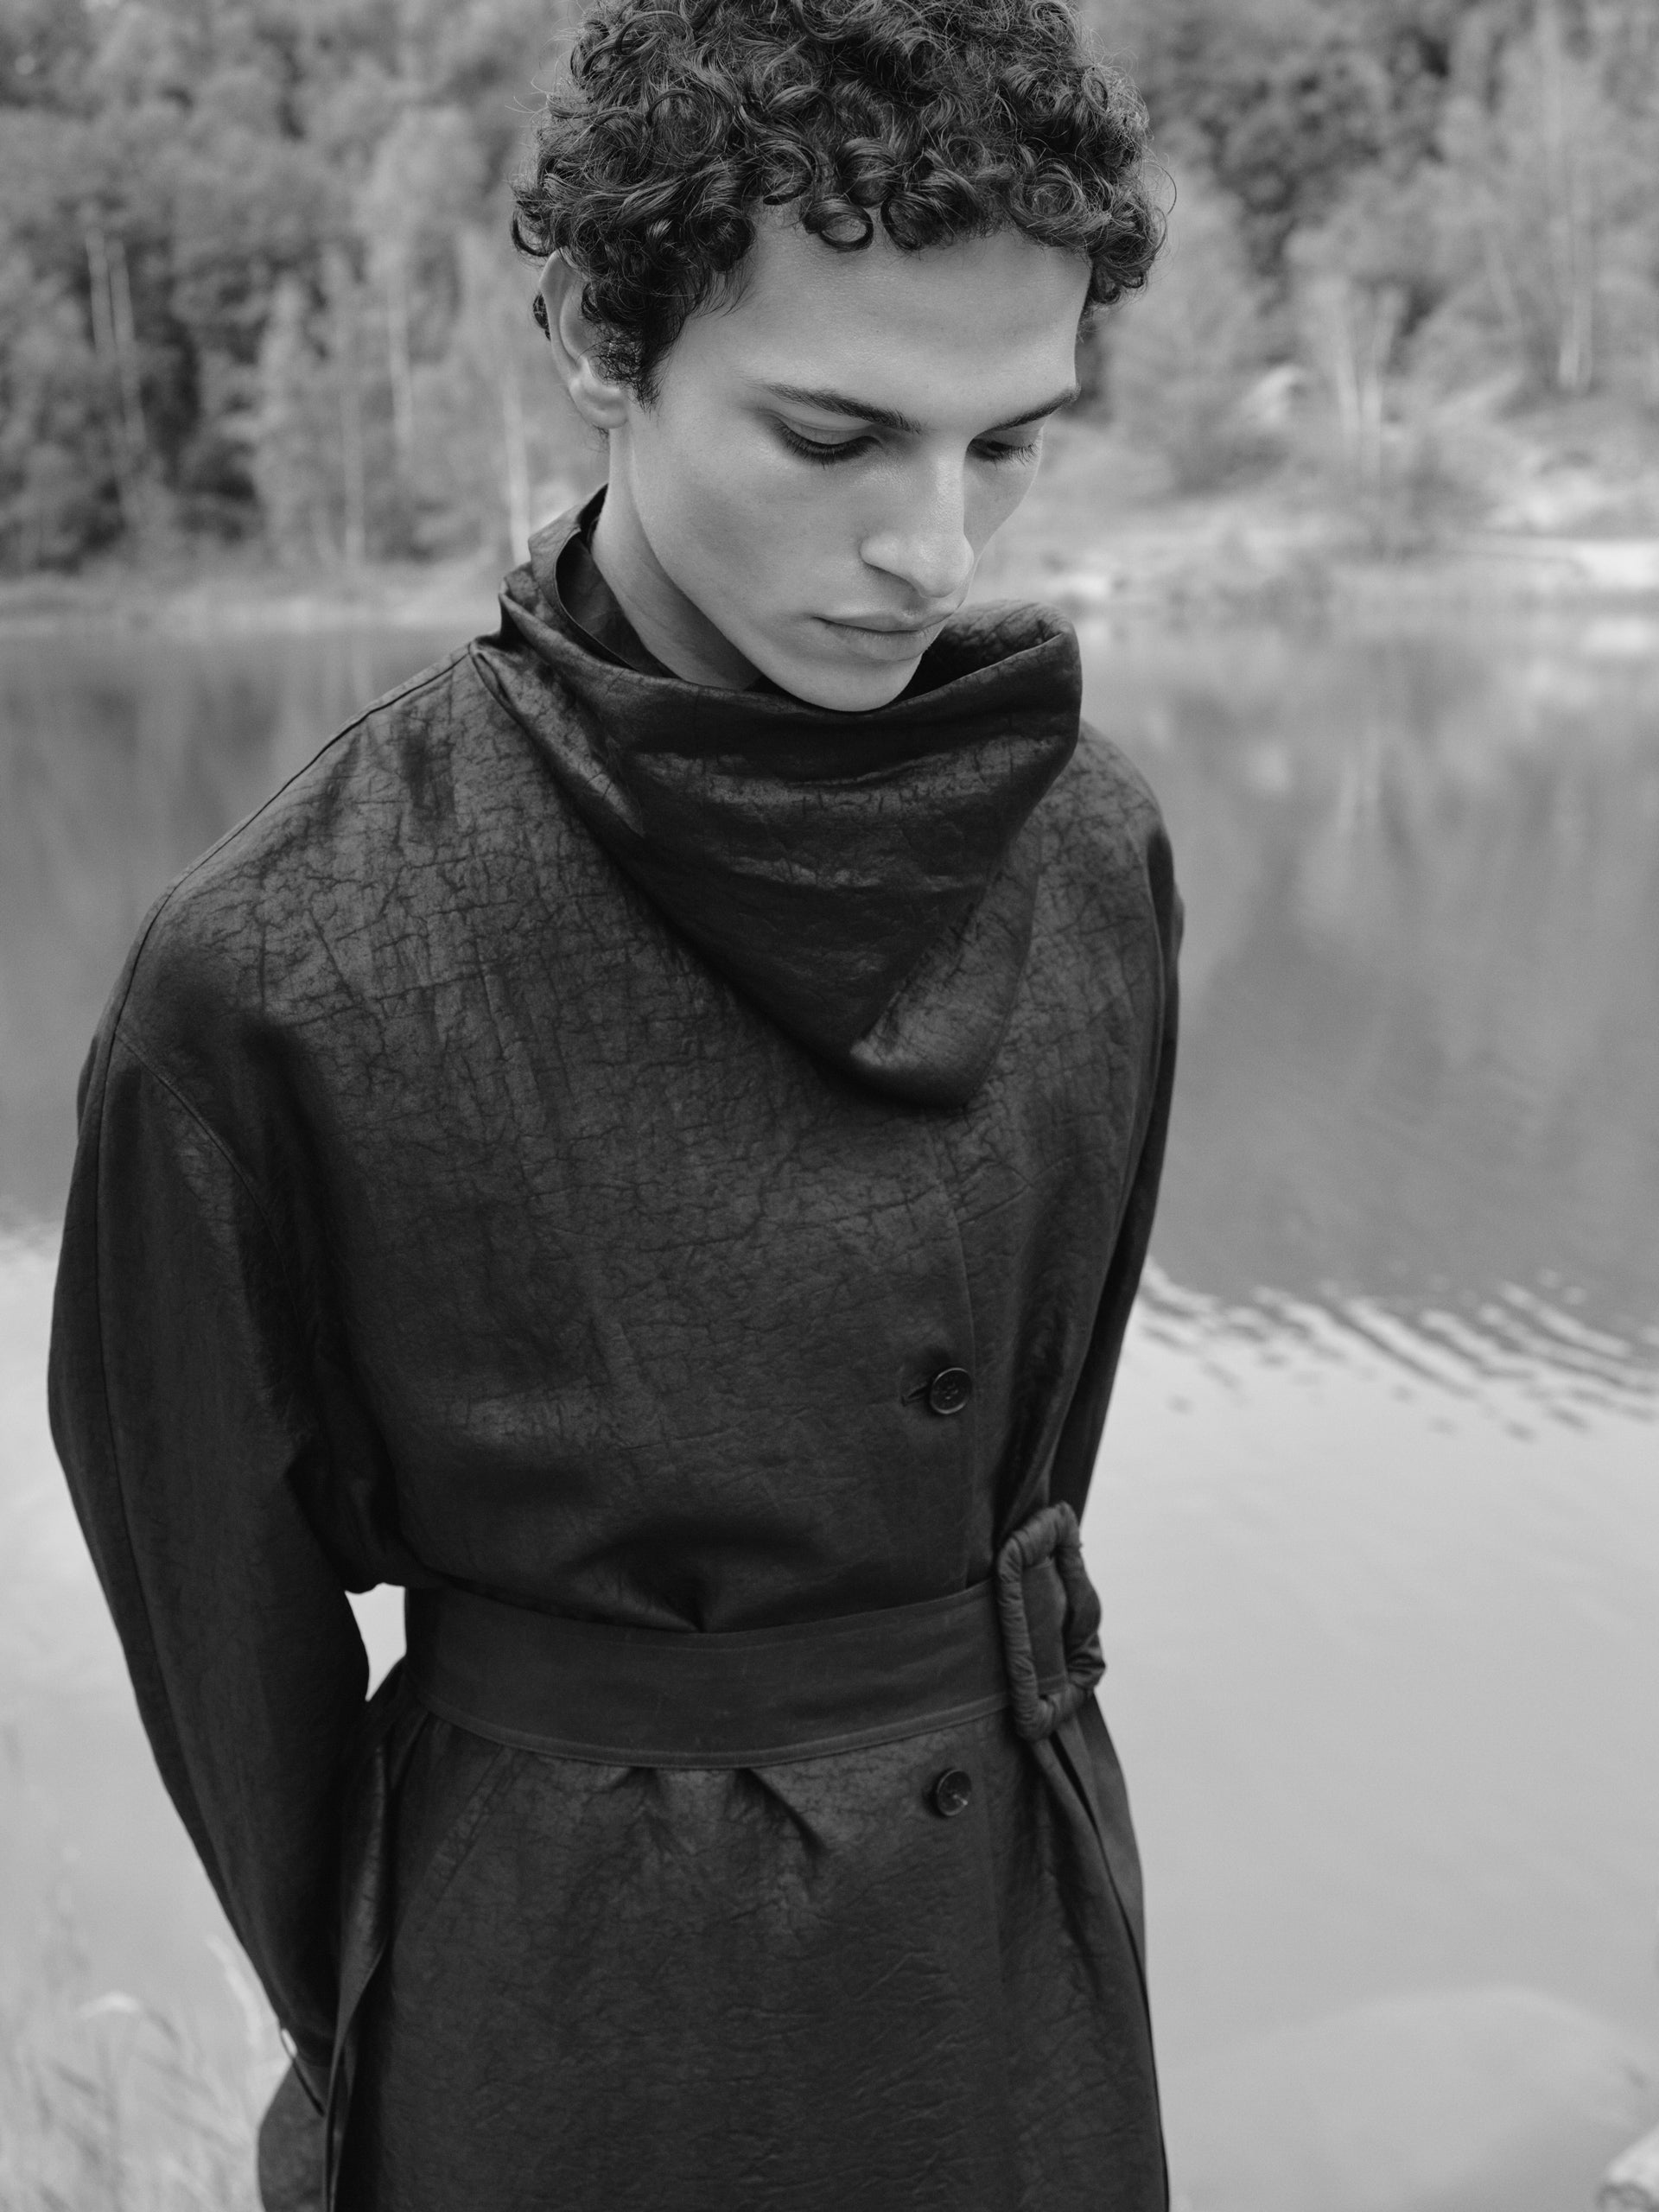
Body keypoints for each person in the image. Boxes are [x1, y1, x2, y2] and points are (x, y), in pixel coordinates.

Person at [48, 0, 1179, 2203]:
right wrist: (465, 1972)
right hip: (562, 2027)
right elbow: (228, 1661)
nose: (934, 549)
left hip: (1015, 1975)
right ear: (602, 342)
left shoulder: (1089, 849)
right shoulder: (278, 966)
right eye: (834, 436)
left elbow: (1031, 1473)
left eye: (1009, 444)